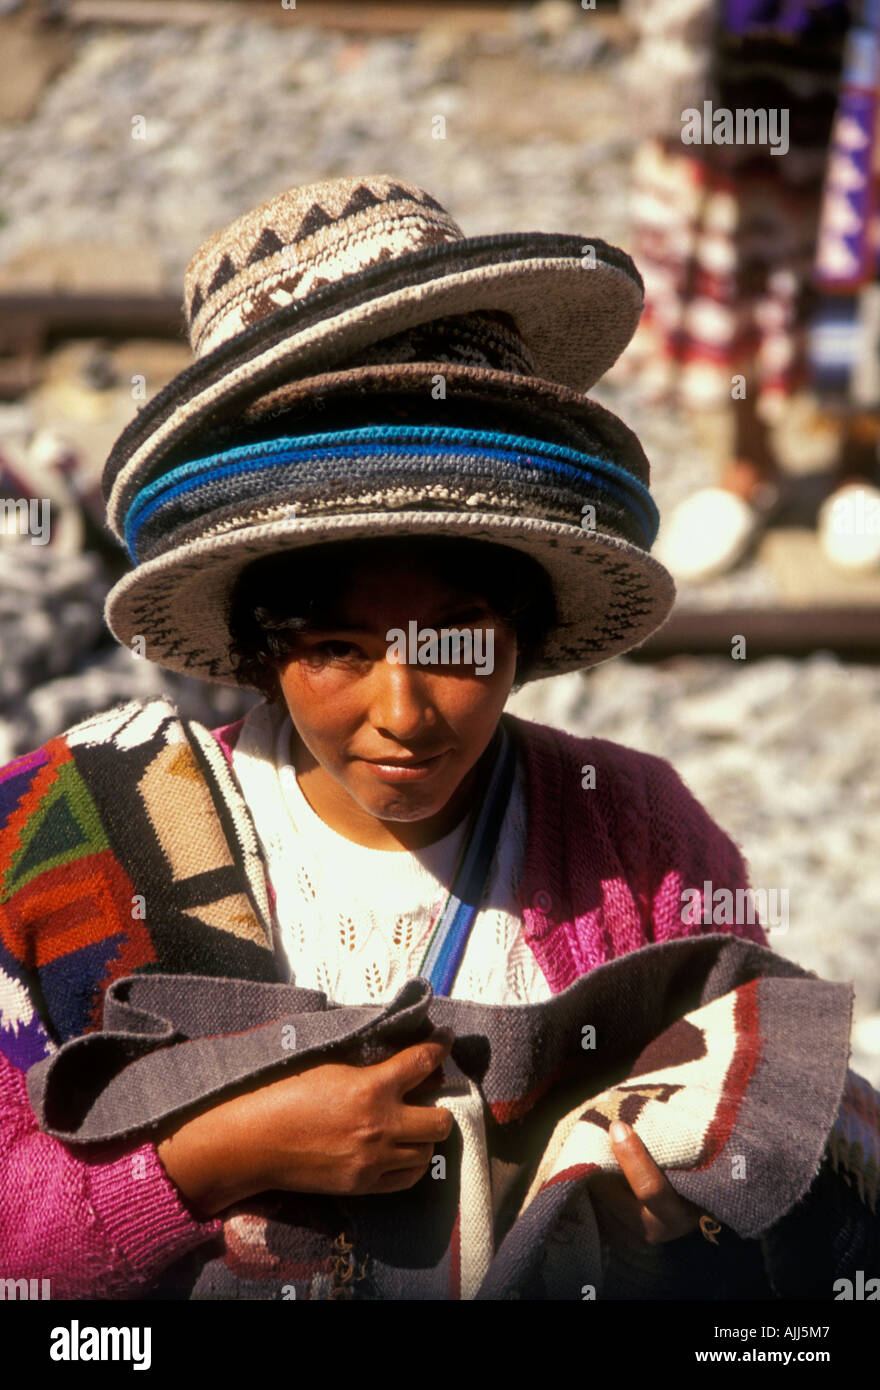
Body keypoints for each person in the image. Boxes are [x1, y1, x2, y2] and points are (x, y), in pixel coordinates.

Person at [0, 175, 876, 1301]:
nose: (404, 714)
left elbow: (791, 1136)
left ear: (528, 630)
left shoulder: (635, 830)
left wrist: (688, 1220)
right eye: (337, 651)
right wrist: (213, 1159)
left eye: (457, 644)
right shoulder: (76, 830)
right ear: (260, 647)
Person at [619, 0, 880, 579]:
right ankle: (748, 465)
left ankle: (858, 464)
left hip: (856, 60)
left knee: (861, 253)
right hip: (724, 75)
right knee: (725, 255)